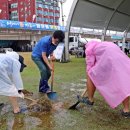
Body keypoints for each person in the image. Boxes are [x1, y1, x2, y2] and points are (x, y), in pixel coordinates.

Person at [78, 41, 130, 118]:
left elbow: (90, 64)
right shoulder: (104, 44)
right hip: (121, 59)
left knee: (90, 74)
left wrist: (90, 74)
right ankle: (126, 110)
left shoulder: (89, 48)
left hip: (109, 59)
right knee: (121, 81)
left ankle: (90, 99)